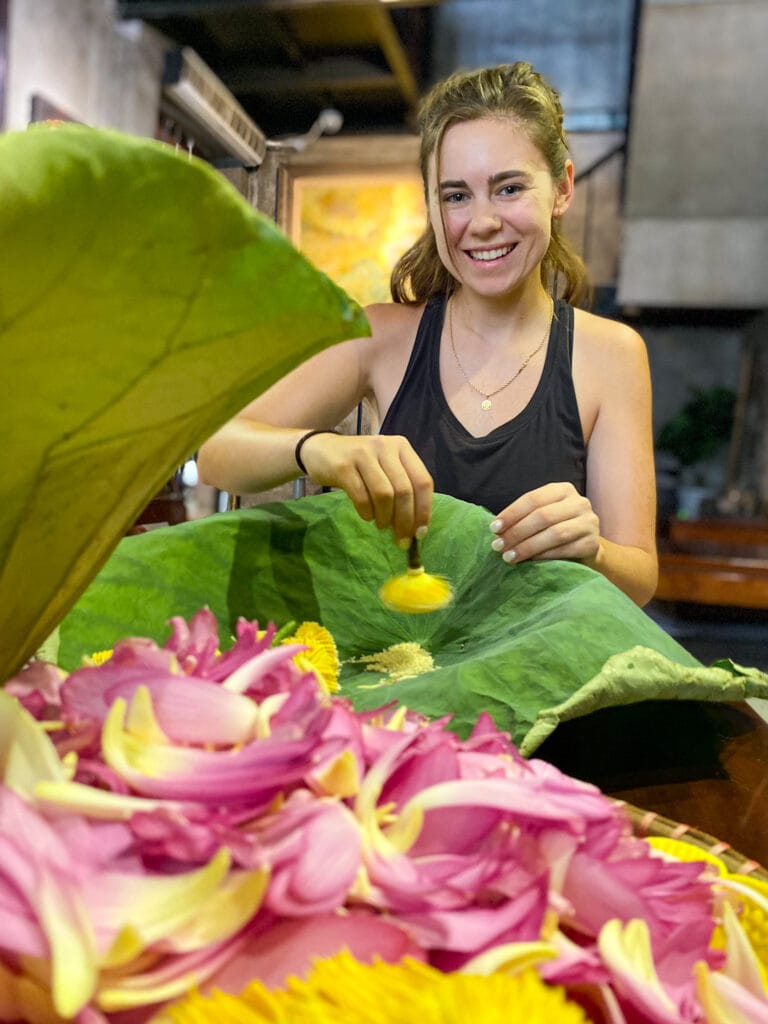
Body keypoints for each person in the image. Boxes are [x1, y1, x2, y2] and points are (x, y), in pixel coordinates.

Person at [197, 62, 658, 607]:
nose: (481, 222)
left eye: (508, 188)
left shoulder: (611, 355)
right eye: (456, 196)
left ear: (561, 189)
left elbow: (641, 577)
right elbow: (215, 450)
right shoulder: (382, 336)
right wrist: (316, 450)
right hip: (397, 663)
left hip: (537, 676)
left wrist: (594, 552)